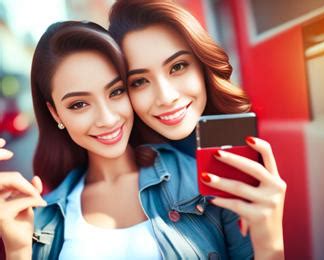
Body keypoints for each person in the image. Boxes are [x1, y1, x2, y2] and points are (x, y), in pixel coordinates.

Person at [0, 21, 253, 259]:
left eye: (116, 91)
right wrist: (19, 250)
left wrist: (270, 237)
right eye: (79, 104)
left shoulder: (206, 180)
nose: (107, 118)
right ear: (56, 113)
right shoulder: (44, 219)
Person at [108, 0, 287, 259]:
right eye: (139, 81)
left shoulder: (237, 153)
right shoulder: (117, 169)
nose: (166, 97)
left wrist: (269, 241)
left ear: (202, 65)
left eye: (178, 67)